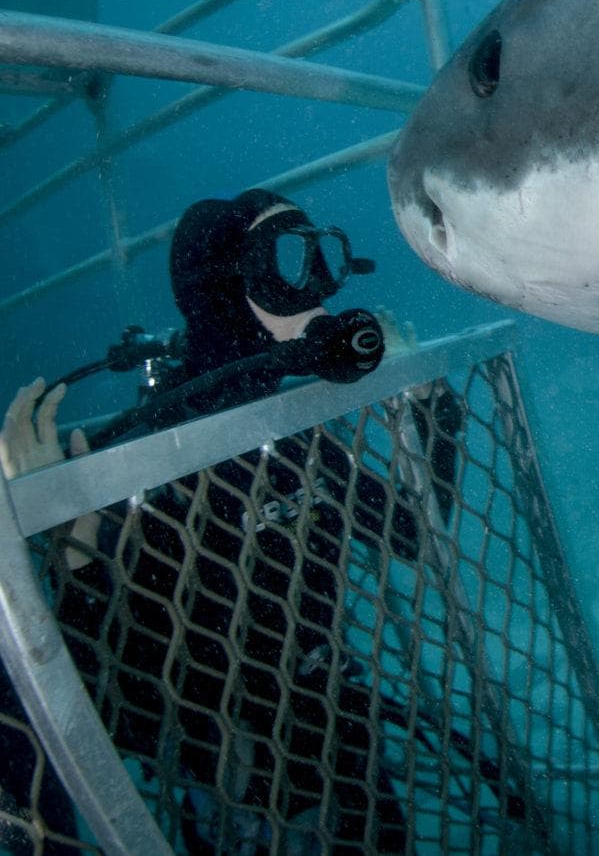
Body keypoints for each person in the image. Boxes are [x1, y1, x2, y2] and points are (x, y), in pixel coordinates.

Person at [0, 189, 464, 854]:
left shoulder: (293, 433)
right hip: (238, 784)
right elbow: (122, 707)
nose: (321, 295)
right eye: (287, 267)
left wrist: (426, 403)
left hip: (342, 735)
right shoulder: (149, 464)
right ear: (223, 294)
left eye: (321, 260)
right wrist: (63, 529)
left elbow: (413, 536)